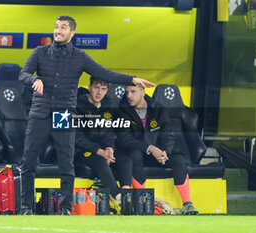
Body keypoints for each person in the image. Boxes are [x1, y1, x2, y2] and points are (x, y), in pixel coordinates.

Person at [18, 15, 154, 215]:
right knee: (28, 162)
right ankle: (25, 207)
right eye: (56, 27)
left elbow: (104, 73)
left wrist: (132, 79)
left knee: (66, 163)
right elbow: (23, 74)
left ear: (72, 33)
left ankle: (65, 208)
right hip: (40, 113)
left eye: (63, 27)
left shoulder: (80, 56)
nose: (58, 30)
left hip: (63, 114)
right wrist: (34, 79)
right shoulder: (40, 52)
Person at [115, 85, 199, 215]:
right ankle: (140, 201)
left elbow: (168, 135)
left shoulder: (158, 109)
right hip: (137, 152)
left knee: (178, 158)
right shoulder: (122, 111)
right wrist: (150, 148)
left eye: (133, 92)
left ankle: (187, 204)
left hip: (157, 153)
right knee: (135, 155)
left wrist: (165, 151)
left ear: (143, 92)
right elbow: (125, 140)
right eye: (127, 92)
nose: (129, 96)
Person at [75, 77, 133, 214]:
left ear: (107, 91)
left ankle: (126, 195)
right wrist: (99, 151)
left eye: (103, 89)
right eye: (96, 88)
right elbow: (77, 138)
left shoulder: (108, 106)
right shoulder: (77, 106)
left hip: (102, 150)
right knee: (101, 161)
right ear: (89, 87)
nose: (99, 92)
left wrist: (109, 148)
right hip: (81, 151)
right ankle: (119, 199)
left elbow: (109, 133)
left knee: (126, 161)